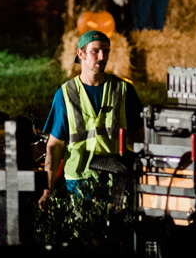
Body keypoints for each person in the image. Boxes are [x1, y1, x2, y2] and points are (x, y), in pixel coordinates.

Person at [39, 30, 143, 205]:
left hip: (116, 182)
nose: (102, 56)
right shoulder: (65, 95)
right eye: (95, 51)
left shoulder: (124, 90)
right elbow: (55, 146)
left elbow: (141, 139)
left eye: (106, 51)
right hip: (78, 183)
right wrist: (47, 190)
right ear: (81, 54)